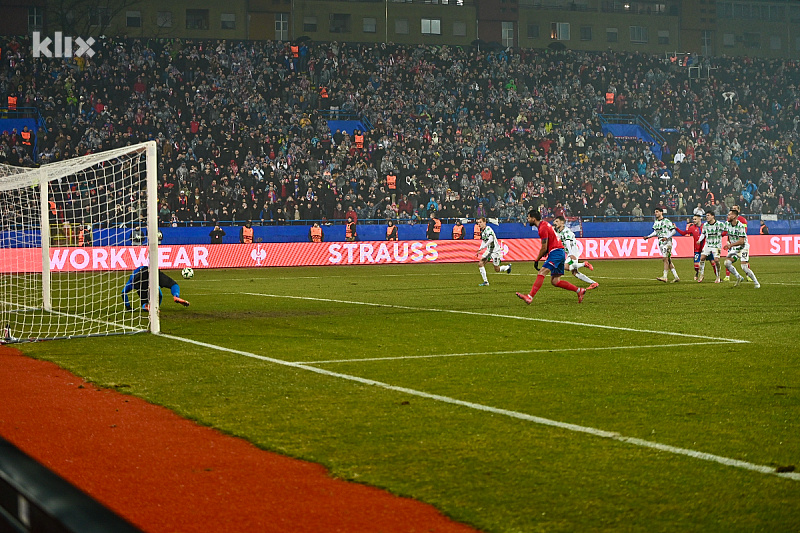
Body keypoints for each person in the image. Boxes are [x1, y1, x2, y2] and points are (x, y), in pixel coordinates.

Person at [516, 209, 586, 304]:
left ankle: (530, 297)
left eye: (528, 217)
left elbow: (544, 247)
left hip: (556, 252)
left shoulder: (542, 228)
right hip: (559, 251)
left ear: (533, 218)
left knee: (542, 272)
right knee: (555, 281)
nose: (527, 219)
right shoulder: (545, 224)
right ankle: (579, 290)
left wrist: (537, 260)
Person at [553, 216, 597, 289]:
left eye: (557, 221)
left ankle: (584, 264)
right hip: (570, 252)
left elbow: (567, 243)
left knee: (565, 266)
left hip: (572, 251)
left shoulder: (566, 232)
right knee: (575, 273)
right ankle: (594, 283)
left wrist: (570, 254)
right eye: (555, 221)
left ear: (562, 223)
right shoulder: (559, 230)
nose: (555, 223)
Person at [722, 208, 760, 288]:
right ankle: (738, 277)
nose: (727, 216)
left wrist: (730, 245)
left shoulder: (740, 226)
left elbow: (742, 241)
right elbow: (722, 231)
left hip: (743, 248)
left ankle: (756, 283)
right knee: (727, 263)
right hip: (735, 248)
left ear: (734, 216)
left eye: (729, 215)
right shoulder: (727, 224)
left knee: (744, 267)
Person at [122, 266, 190, 310]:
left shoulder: (132, 279)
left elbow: (123, 292)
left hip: (139, 278)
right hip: (153, 271)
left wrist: (128, 307)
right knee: (173, 285)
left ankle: (147, 306)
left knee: (144, 303)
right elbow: (160, 295)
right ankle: (176, 296)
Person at [643, 207, 680, 283]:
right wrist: (648, 237)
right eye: (655, 212)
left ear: (661, 212)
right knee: (668, 260)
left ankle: (665, 277)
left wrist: (667, 237)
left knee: (665, 259)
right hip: (660, 242)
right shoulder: (656, 222)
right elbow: (656, 232)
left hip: (667, 242)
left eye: (657, 212)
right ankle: (676, 277)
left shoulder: (666, 221)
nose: (655, 213)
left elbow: (673, 231)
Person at [476, 217, 511, 286]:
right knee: (480, 264)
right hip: (489, 251)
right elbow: (484, 241)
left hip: (495, 251)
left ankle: (507, 267)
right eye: (478, 223)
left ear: (484, 222)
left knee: (497, 269)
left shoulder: (488, 229)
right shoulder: (482, 232)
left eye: (480, 222)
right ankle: (486, 282)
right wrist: (480, 249)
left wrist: (483, 247)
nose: (479, 224)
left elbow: (491, 239)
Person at [696, 211, 723, 283]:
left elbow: (726, 230)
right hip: (708, 245)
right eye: (706, 215)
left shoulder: (719, 224)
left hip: (716, 245)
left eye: (708, 215)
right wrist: (699, 240)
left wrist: (723, 236)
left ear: (713, 216)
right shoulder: (705, 225)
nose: (707, 217)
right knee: (702, 258)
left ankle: (718, 276)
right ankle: (701, 274)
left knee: (716, 260)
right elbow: (703, 234)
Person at [674, 214, 703, 280]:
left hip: (706, 248)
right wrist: (676, 228)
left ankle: (718, 277)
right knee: (696, 265)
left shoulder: (705, 226)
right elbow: (683, 233)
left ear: (699, 219)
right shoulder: (692, 228)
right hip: (697, 249)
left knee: (713, 262)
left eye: (695, 219)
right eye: (693, 219)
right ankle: (697, 273)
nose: (694, 220)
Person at [723, 206, 748, 281]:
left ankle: (748, 275)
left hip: (740, 243)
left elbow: (744, 231)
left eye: (735, 209)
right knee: (728, 260)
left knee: (744, 260)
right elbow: (726, 230)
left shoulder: (743, 220)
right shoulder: (729, 220)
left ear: (738, 211)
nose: (733, 210)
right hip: (731, 243)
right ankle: (728, 276)